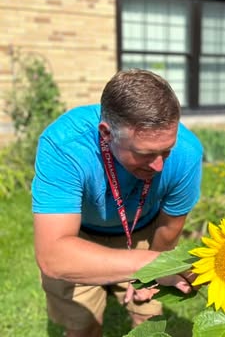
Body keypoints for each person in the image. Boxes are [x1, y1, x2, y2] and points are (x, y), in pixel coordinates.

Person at [32, 69, 204, 337]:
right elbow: (54, 255)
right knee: (82, 326)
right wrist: (152, 266)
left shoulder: (187, 152)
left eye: (166, 151)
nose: (159, 165)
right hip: (78, 238)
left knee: (149, 321)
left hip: (145, 232)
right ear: (107, 133)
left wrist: (153, 266)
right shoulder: (64, 146)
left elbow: (169, 227)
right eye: (145, 153)